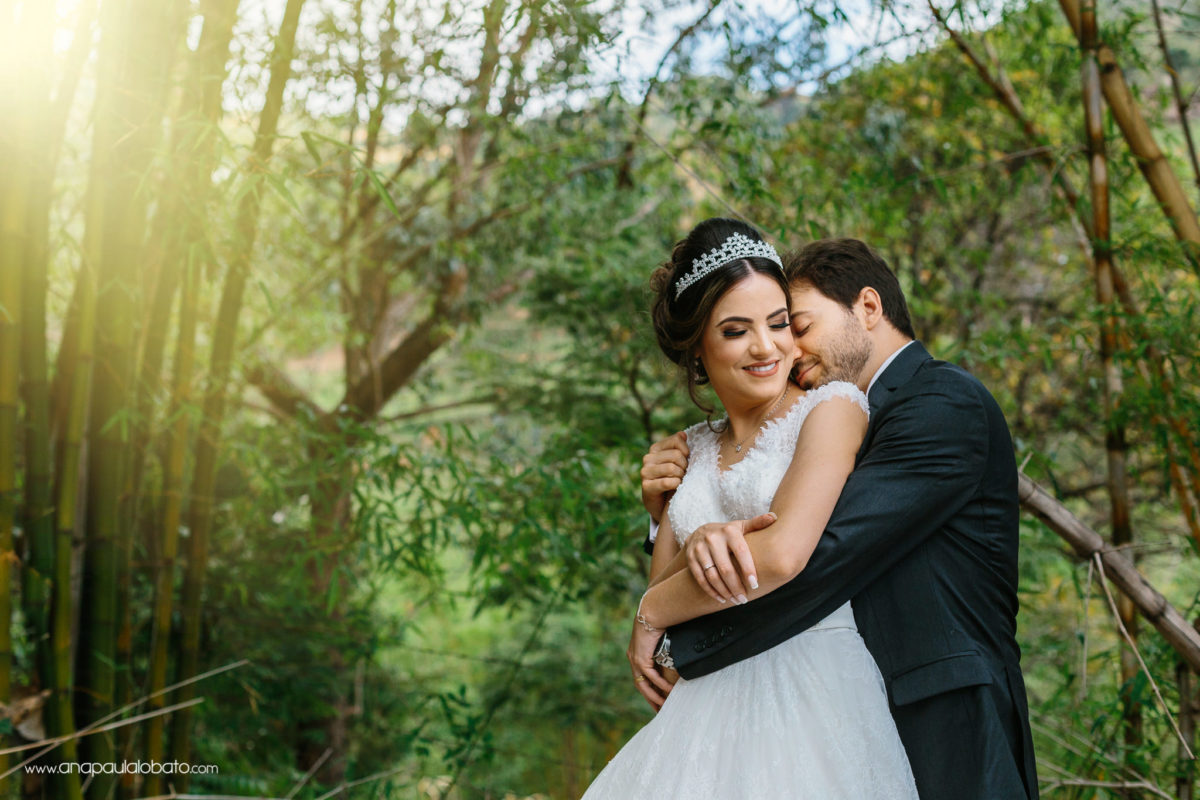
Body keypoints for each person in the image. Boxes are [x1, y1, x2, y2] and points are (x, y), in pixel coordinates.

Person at [637, 237, 1039, 799]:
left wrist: (662, 623)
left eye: (794, 325)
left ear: (868, 308)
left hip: (947, 713)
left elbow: (821, 553)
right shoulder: (808, 414)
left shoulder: (941, 402)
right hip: (832, 709)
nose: (785, 349)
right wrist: (668, 518)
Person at [581, 218, 919, 799]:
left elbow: (782, 554)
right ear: (697, 351)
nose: (767, 347)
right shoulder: (691, 448)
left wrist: (650, 609)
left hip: (809, 697)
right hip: (701, 716)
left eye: (779, 323)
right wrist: (665, 520)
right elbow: (666, 624)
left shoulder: (831, 410)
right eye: (736, 331)